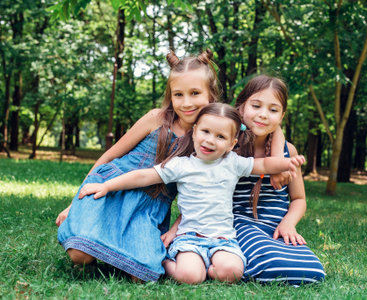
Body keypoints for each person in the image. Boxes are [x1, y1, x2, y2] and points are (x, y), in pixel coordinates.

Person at [77, 103, 306, 285]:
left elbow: (265, 165)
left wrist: (287, 163)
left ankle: (206, 265)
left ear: (232, 143)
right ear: (195, 132)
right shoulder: (181, 165)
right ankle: (164, 260)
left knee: (233, 272)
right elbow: (143, 176)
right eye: (205, 131)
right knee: (190, 277)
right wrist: (107, 186)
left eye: (220, 137)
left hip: (224, 239)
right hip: (189, 237)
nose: (210, 140)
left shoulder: (233, 163)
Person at [56, 49, 219, 282]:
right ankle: (97, 243)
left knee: (141, 275)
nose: (186, 103)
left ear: (211, 94)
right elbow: (108, 157)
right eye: (178, 94)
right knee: (79, 256)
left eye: (195, 93)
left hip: (150, 206)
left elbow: (254, 122)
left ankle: (122, 253)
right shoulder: (156, 118)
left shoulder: (208, 139)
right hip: (110, 190)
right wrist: (74, 204)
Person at [233, 75, 326, 285]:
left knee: (312, 272)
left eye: (273, 110)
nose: (263, 115)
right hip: (239, 224)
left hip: (276, 226)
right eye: (256, 106)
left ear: (282, 116)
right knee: (273, 266)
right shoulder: (229, 146)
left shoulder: (288, 151)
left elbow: (299, 199)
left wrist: (288, 224)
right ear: (240, 107)